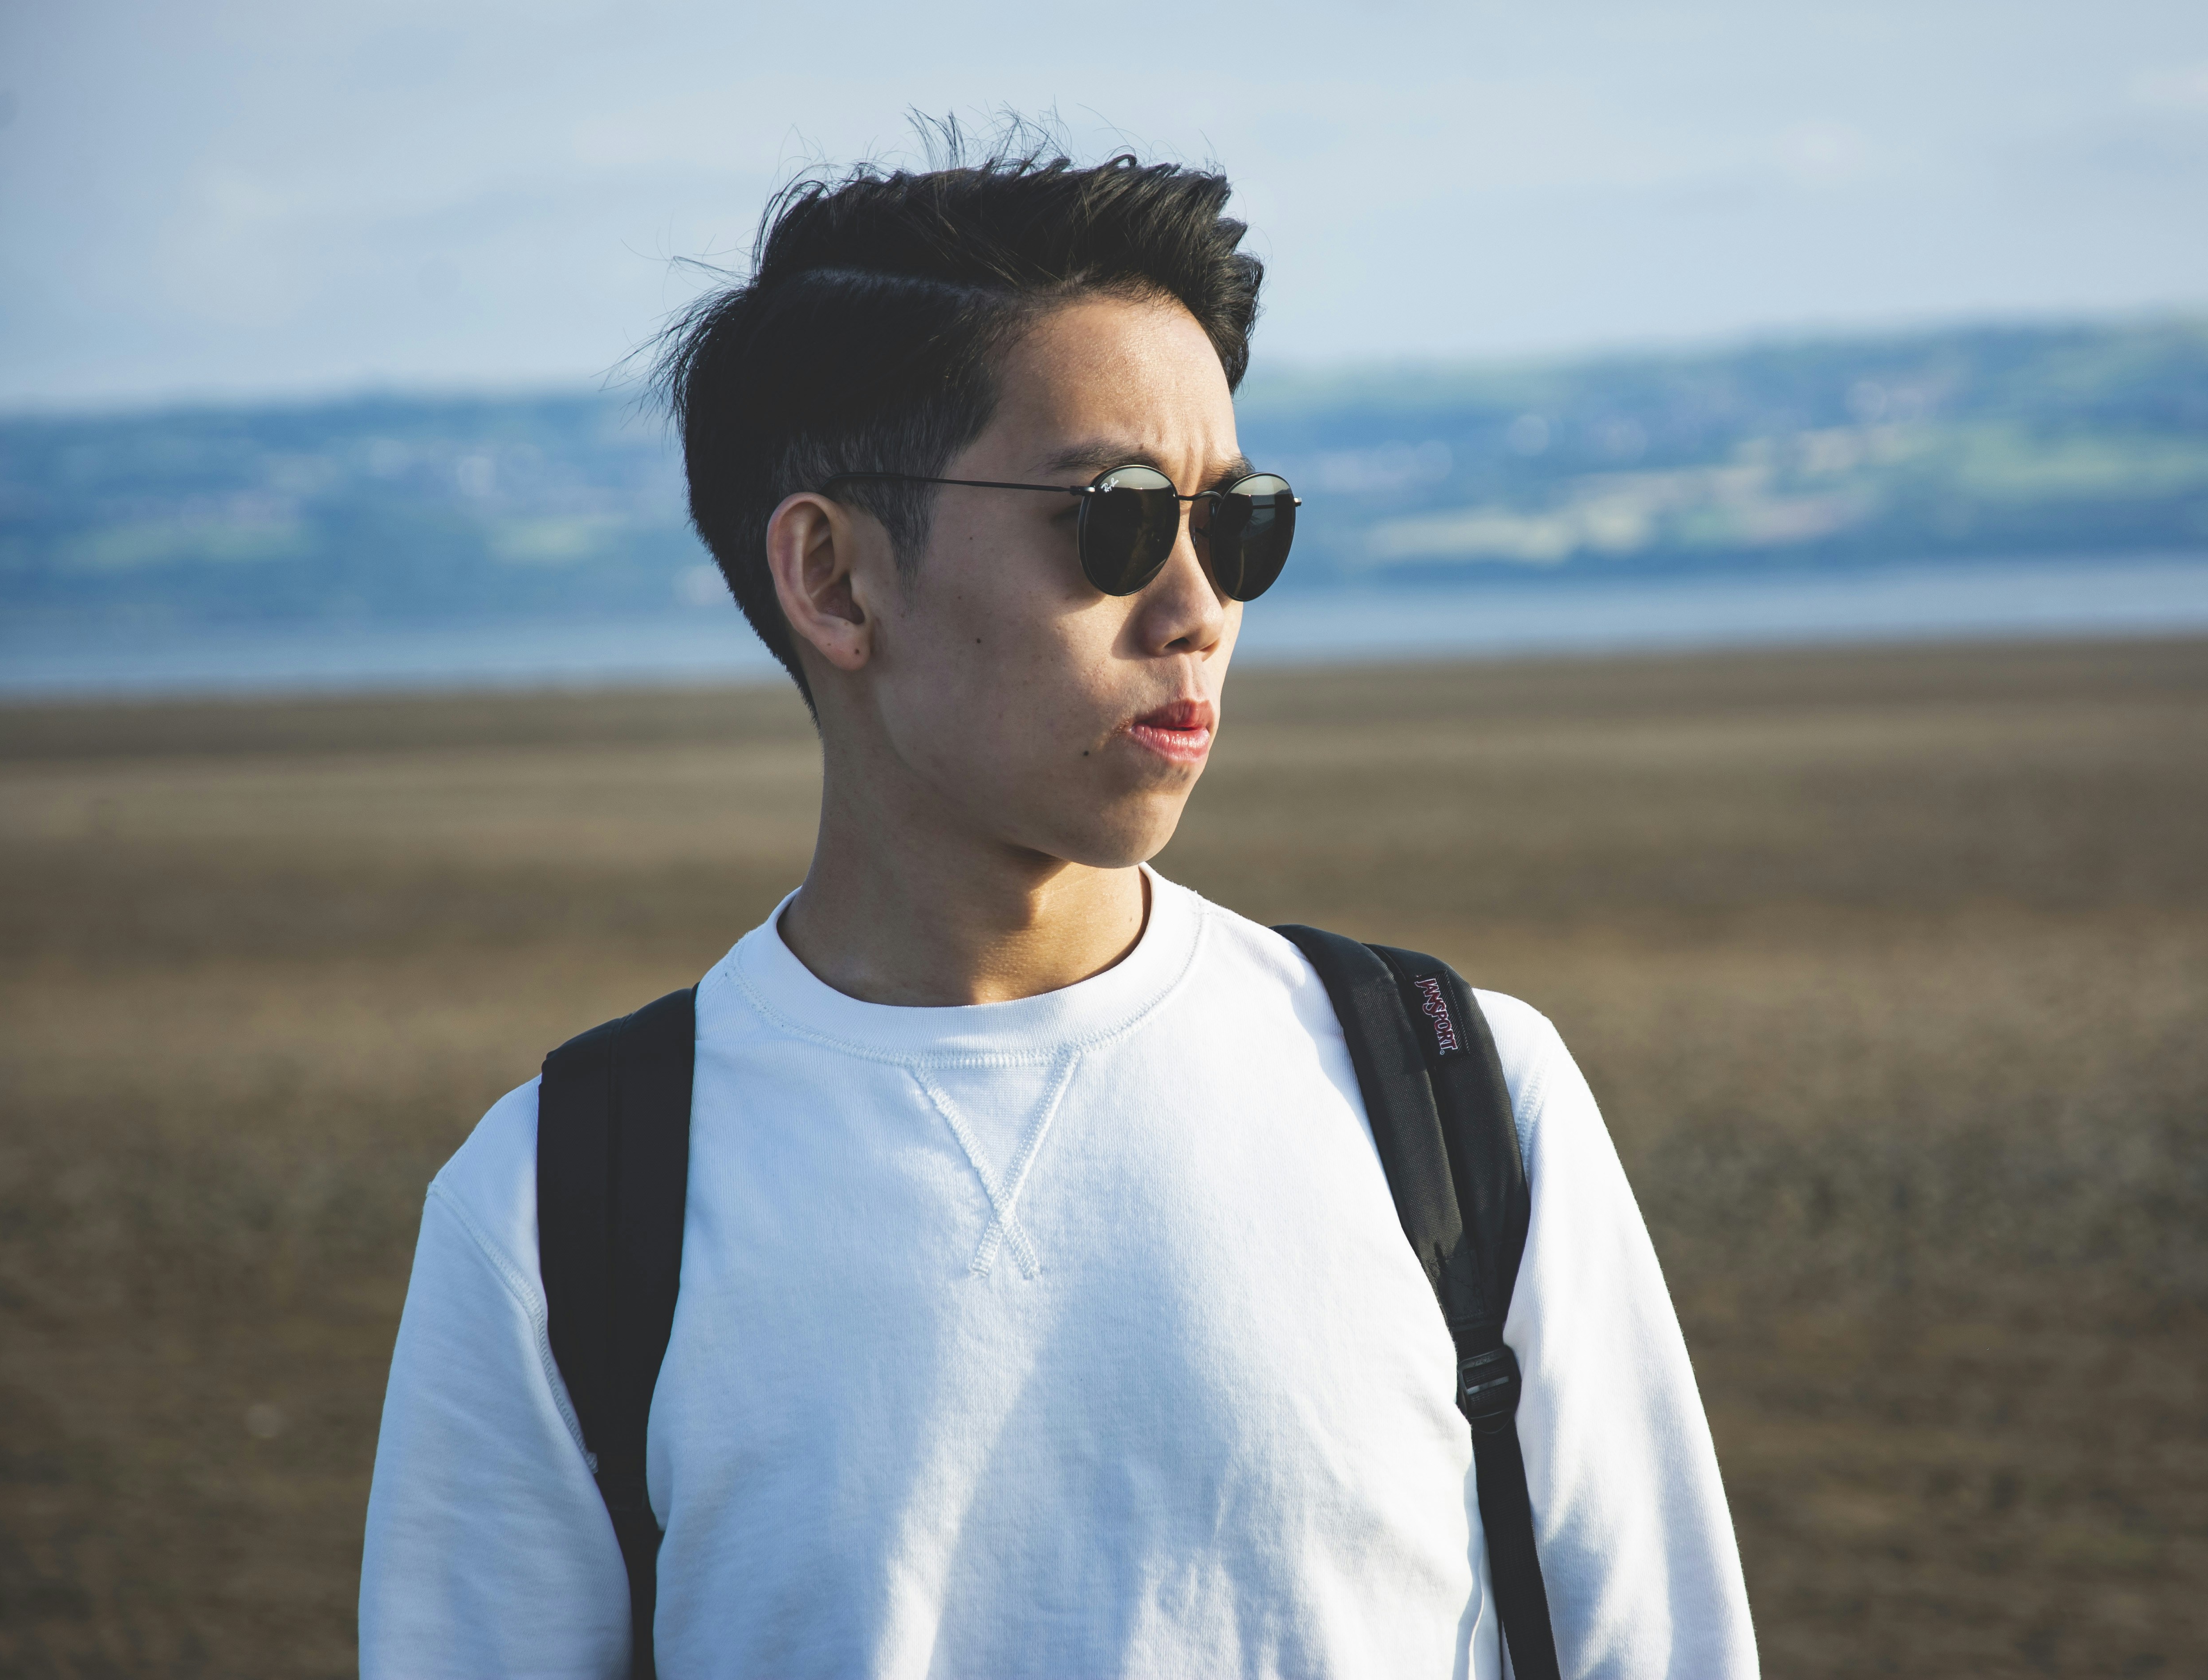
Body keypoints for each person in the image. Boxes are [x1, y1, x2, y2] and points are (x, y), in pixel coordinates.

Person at [359, 146, 1757, 1678]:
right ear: (831, 579)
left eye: (1238, 524)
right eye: (1114, 519)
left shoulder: (1455, 1096)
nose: (1198, 608)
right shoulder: (561, 1204)